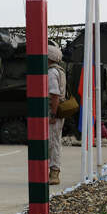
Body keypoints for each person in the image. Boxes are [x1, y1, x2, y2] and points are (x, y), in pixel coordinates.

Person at [47, 45, 65, 185]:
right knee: (54, 141)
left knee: (53, 142)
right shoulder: (60, 71)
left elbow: (54, 95)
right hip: (56, 110)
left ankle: (54, 173)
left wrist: (53, 114)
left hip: (53, 110)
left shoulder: (52, 72)